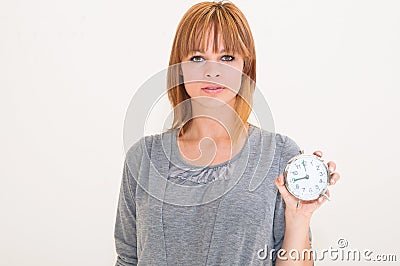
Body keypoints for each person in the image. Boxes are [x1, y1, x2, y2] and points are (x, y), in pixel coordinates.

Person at [114, 1, 340, 265]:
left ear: (246, 68)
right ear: (179, 68)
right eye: (197, 58)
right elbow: (128, 258)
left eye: (227, 57)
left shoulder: (279, 155)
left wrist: (300, 218)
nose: (212, 71)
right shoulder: (144, 158)